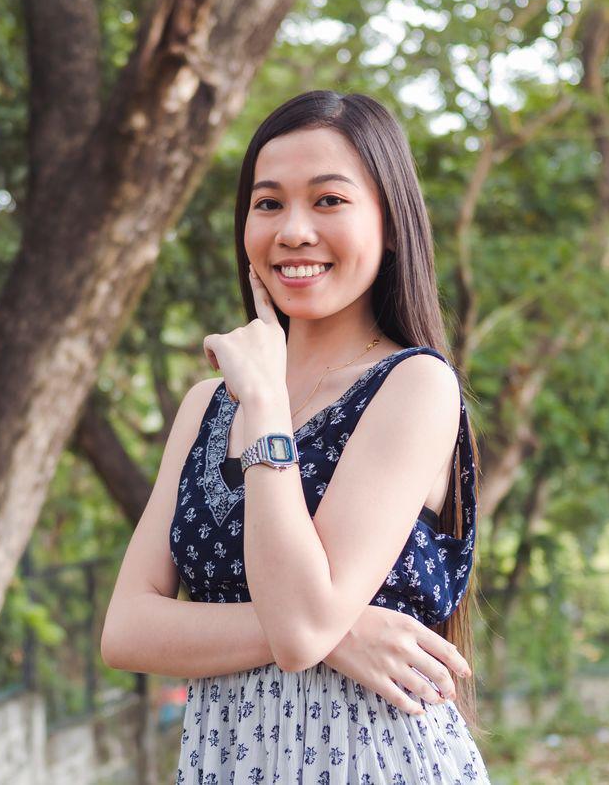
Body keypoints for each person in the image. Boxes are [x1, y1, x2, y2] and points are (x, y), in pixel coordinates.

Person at [101, 89, 490, 784]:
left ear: (391, 223)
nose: (294, 231)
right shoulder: (206, 407)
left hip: (373, 763)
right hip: (228, 762)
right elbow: (127, 630)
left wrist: (268, 407)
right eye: (269, 202)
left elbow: (303, 626)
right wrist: (348, 633)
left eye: (330, 201)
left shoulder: (414, 387)